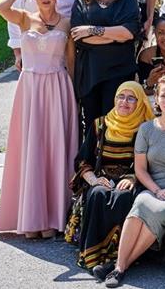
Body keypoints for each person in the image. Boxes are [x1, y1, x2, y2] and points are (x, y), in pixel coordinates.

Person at [0, 0, 78, 239]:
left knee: (54, 149)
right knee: (31, 149)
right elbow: (1, 6)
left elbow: (71, 62)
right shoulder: (24, 18)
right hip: (30, 89)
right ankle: (31, 218)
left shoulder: (67, 23)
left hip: (57, 88)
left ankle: (52, 218)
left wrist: (74, 97)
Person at [93, 76, 165, 287]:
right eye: (163, 96)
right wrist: (156, 191)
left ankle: (118, 266)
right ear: (156, 99)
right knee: (141, 204)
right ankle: (120, 267)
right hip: (152, 188)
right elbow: (140, 169)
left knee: (157, 212)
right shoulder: (146, 129)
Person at [65, 82, 155, 269]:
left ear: (140, 102)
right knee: (98, 193)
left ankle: (119, 255)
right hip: (101, 177)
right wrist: (94, 180)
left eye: (131, 98)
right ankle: (93, 255)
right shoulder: (100, 124)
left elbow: (152, 163)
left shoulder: (145, 129)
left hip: (131, 179)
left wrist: (132, 178)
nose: (124, 102)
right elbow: (82, 160)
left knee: (123, 197)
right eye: (121, 97)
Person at [71, 0, 141, 130]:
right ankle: (92, 151)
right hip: (91, 73)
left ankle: (112, 151)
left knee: (116, 124)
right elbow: (79, 37)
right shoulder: (81, 1)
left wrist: (92, 30)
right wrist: (115, 36)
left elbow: (129, 33)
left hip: (119, 71)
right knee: (92, 125)